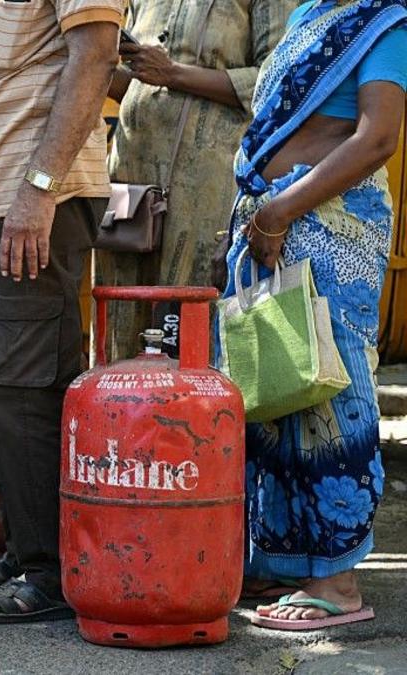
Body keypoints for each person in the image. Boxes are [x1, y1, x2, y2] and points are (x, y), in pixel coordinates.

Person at [219, 0, 406, 631]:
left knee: (333, 389)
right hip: (273, 224)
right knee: (272, 392)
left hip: (330, 228)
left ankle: (338, 581)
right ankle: (283, 559)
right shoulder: (307, 14)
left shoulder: (384, 20)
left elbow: (378, 137)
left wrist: (281, 210)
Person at [0, 0, 122, 622]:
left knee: (24, 387)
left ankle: (48, 571)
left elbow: (95, 56)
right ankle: (26, 552)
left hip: (31, 200)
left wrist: (38, 189)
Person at [95, 0, 295, 360]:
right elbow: (144, 88)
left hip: (205, 190)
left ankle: (188, 416)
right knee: (119, 321)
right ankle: (116, 413)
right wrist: (96, 63)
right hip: (130, 180)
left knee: (184, 328)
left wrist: (173, 73)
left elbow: (281, 80)